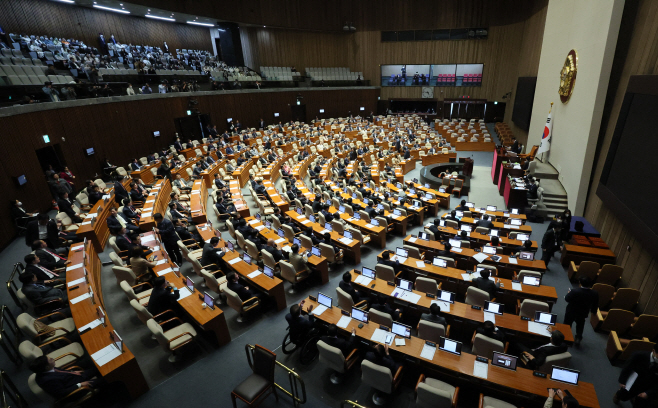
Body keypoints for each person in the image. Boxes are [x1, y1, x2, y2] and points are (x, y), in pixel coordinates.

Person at [29, 355, 100, 400]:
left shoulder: (46, 369)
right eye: (50, 359)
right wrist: (80, 385)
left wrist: (73, 372)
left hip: (74, 378)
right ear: (47, 367)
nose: (53, 358)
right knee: (103, 380)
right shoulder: (48, 381)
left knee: (97, 367)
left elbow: (61, 371)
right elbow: (63, 393)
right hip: (76, 390)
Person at [564, 277, 599, 347]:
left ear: (580, 283)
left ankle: (566, 338)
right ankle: (578, 338)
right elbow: (595, 304)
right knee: (580, 325)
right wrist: (593, 312)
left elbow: (567, 299)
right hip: (583, 312)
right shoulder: (595, 293)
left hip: (571, 311)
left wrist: (569, 293)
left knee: (567, 324)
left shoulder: (574, 291)